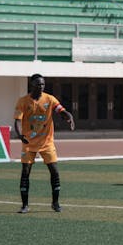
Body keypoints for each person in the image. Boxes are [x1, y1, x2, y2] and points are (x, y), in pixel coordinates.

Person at [13, 73, 75, 214]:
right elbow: (17, 121)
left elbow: (61, 111)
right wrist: (20, 135)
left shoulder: (50, 99)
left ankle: (55, 203)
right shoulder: (23, 101)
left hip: (47, 142)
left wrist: (69, 117)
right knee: (25, 172)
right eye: (39, 84)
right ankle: (25, 205)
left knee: (54, 171)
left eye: (43, 84)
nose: (41, 86)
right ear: (32, 85)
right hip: (29, 142)